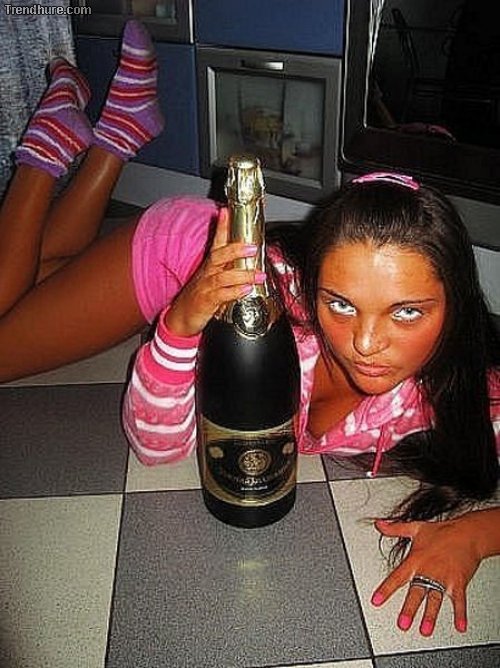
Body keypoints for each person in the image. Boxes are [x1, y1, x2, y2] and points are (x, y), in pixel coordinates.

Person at [0, 22, 498, 640]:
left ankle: (118, 133)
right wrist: (179, 325)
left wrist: (476, 535)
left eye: (406, 312)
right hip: (180, 257)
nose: (367, 343)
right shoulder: (277, 318)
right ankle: (43, 152)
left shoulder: (463, 391)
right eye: (341, 304)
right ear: (313, 287)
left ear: (456, 306)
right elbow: (156, 448)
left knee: (43, 274)